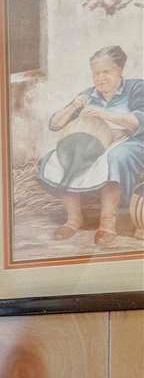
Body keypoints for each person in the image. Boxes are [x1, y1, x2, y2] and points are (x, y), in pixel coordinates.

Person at [38, 44, 144, 244]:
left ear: (120, 70)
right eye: (96, 73)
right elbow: (55, 124)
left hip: (129, 140)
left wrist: (104, 114)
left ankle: (107, 223)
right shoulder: (89, 95)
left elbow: (139, 121)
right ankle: (73, 219)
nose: (100, 78)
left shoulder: (136, 88)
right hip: (93, 143)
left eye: (106, 72)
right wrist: (74, 106)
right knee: (58, 157)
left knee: (115, 157)